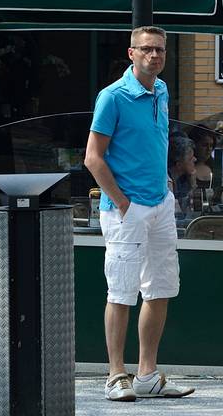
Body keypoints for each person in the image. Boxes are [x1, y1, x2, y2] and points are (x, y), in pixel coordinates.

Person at [83, 26, 195, 401]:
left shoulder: (161, 91)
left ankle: (147, 374)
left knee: (161, 287)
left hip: (159, 203)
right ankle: (116, 375)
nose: (154, 56)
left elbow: (156, 141)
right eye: (146, 50)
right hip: (125, 208)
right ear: (131, 53)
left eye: (160, 50)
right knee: (121, 291)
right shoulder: (111, 97)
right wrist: (122, 201)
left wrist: (165, 185)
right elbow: (92, 158)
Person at [168, 135, 197, 214]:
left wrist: (192, 184)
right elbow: (180, 213)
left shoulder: (183, 180)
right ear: (179, 164)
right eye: (190, 158)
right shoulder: (167, 184)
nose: (195, 159)